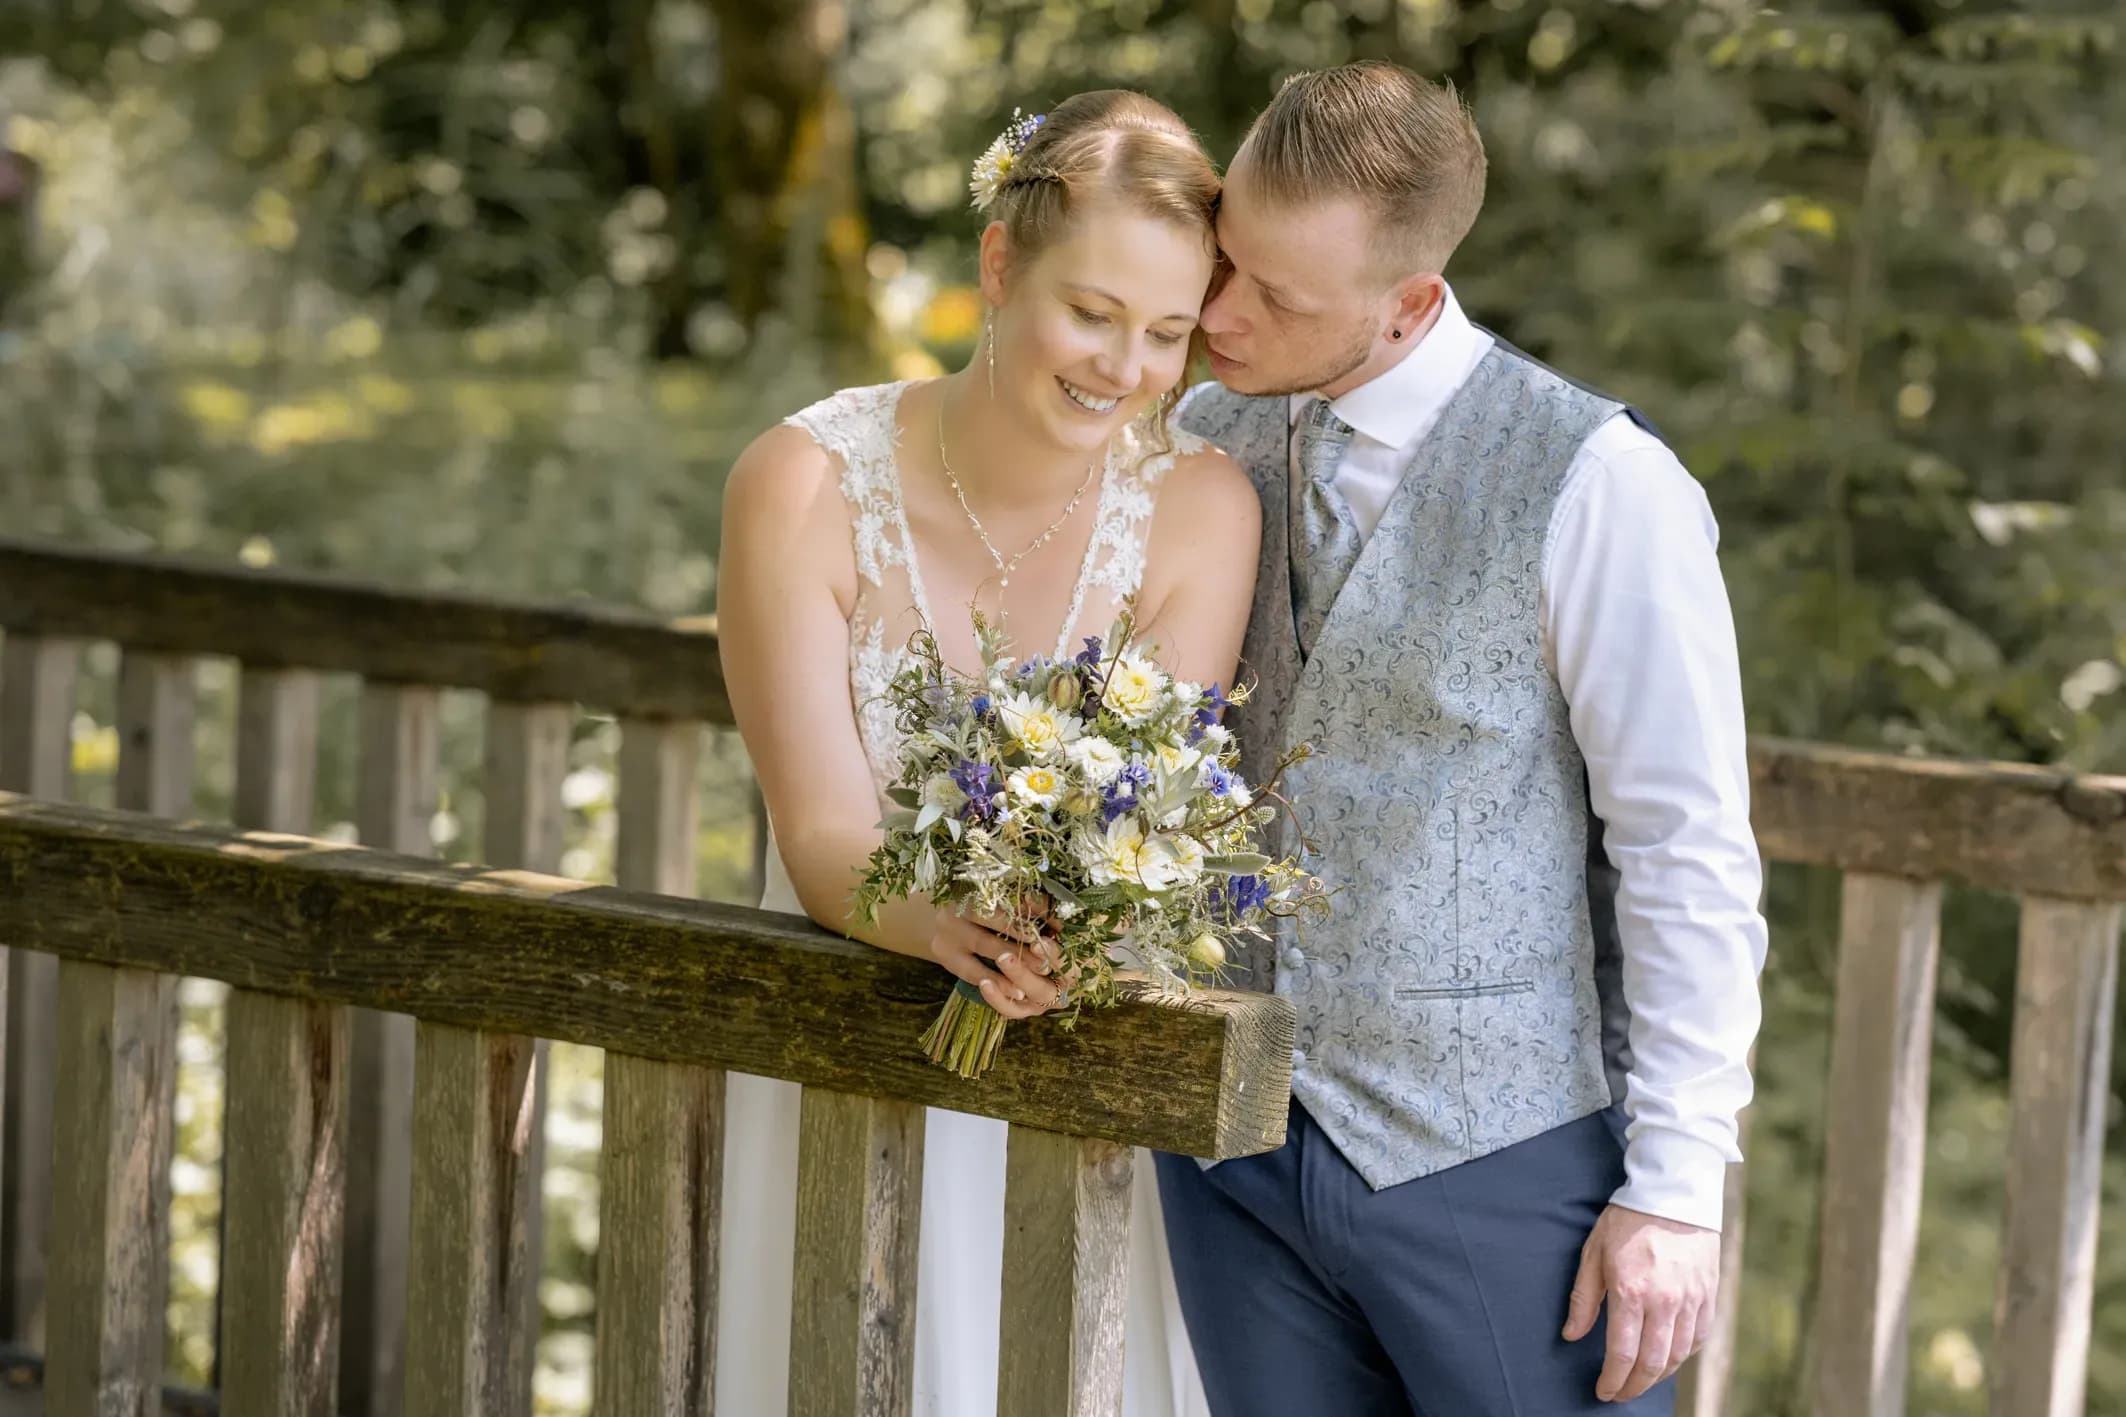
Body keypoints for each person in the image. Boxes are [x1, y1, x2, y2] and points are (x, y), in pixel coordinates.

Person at [1159, 61, 1768, 1415]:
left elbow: (1683, 845)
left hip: (1501, 1162)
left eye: (1275, 296)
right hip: (1229, 1157)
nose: (1216, 313)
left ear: (1411, 304)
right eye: (1222, 258)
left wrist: (1676, 1188)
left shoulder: (1600, 484)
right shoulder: (1198, 434)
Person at [716, 89, 1258, 1416]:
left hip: (1080, 1065)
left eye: (1168, 332)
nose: (1125, 368)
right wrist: (948, 924)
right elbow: (820, 833)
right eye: (1092, 312)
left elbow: (1142, 809)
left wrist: (1062, 927)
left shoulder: (1201, 508)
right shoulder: (800, 484)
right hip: (847, 1039)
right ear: (1001, 264)